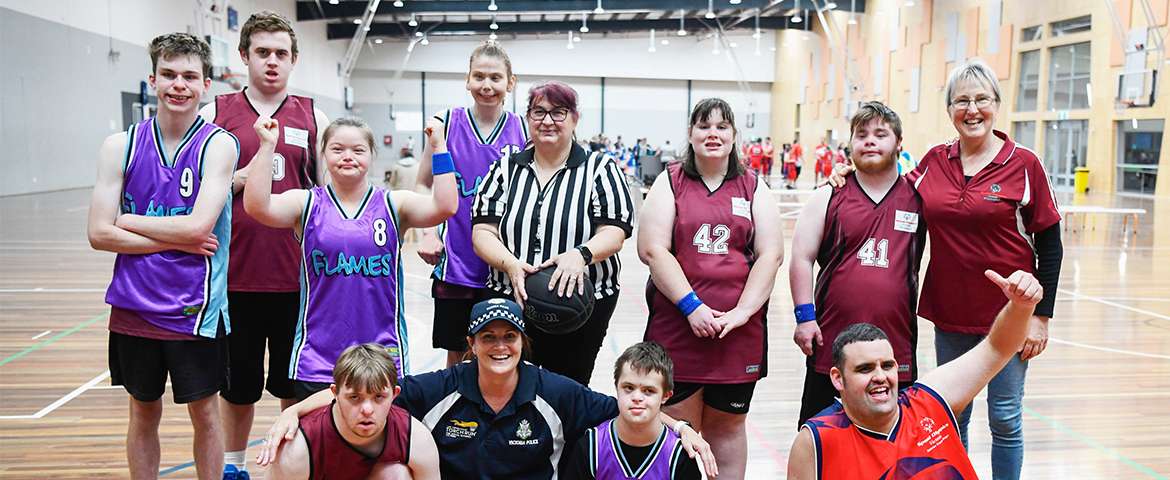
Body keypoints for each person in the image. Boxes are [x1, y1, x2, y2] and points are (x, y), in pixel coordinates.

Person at [829, 60, 1063, 480]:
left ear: (996, 104)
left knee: (1005, 417)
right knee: (953, 414)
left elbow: (1051, 242)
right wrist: (849, 171)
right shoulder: (935, 161)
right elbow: (894, 186)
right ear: (950, 108)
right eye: (962, 101)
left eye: (981, 100)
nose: (972, 110)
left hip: (1010, 316)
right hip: (951, 314)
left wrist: (1041, 318)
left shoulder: (1024, 164)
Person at [258, 299, 717, 479]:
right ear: (472, 345)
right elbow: (370, 389)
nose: (500, 345)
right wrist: (290, 413)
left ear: (522, 342)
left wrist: (684, 431)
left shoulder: (555, 393)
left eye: (509, 337)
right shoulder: (441, 388)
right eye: (488, 338)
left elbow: (630, 408)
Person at [87, 33, 237, 480]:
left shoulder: (219, 145)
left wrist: (129, 222)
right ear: (152, 79)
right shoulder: (120, 145)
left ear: (206, 84)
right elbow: (98, 233)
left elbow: (198, 227)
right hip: (134, 307)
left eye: (190, 76)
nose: (179, 85)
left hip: (196, 310)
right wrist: (176, 239)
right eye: (169, 75)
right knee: (142, 412)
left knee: (206, 415)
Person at [197, 11, 332, 478]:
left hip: (299, 279)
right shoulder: (215, 114)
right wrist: (236, 180)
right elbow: (195, 190)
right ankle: (235, 467)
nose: (271, 62)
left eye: (281, 54)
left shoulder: (315, 115)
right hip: (235, 276)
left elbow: (330, 196)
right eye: (262, 53)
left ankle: (291, 465)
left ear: (294, 60)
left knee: (293, 386)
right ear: (243, 57)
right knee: (238, 388)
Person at [243, 115, 457, 401]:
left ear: (371, 155)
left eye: (358, 150)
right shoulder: (307, 203)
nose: (347, 156)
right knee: (317, 442)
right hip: (318, 358)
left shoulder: (393, 204)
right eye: (337, 149)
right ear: (323, 154)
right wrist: (267, 146)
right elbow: (258, 206)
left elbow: (445, 205)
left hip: (382, 353)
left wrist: (439, 146)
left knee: (377, 442)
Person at [638, 97, 784, 479]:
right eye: (704, 126)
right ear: (690, 134)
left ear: (735, 135)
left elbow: (771, 255)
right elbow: (652, 249)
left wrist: (742, 313)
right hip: (678, 329)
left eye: (722, 126)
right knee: (675, 427)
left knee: (729, 429)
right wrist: (692, 306)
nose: (713, 134)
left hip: (738, 334)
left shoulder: (754, 186)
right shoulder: (670, 181)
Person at [787, 270, 1044, 480]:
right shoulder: (816, 440)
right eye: (865, 368)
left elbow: (997, 347)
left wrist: (1021, 306)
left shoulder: (930, 400)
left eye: (887, 365)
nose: (880, 376)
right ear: (837, 378)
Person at [471, 81, 636, 385]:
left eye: (559, 113)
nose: (547, 121)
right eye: (539, 112)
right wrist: (509, 263)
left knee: (568, 387)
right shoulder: (505, 169)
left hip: (582, 301)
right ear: (527, 118)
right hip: (511, 297)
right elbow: (482, 230)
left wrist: (581, 255)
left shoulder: (600, 169)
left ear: (575, 119)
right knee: (509, 386)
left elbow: (616, 230)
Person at [789, 102, 926, 428]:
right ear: (850, 143)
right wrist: (804, 318)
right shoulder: (829, 195)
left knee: (892, 441)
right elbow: (800, 258)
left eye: (881, 134)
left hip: (896, 345)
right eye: (861, 134)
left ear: (899, 143)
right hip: (831, 344)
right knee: (818, 435)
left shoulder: (920, 197)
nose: (870, 141)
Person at [414, 41, 528, 368]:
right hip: (455, 264)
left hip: (505, 267)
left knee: (504, 355)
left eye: (495, 77)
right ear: (467, 80)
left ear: (510, 82)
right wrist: (428, 233)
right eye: (479, 76)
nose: (487, 85)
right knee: (456, 354)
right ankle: (455, 417)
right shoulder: (446, 124)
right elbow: (424, 183)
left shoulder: (522, 131)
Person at [264, 344, 440, 480]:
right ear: (335, 394)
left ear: (394, 395)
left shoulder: (415, 438)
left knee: (396, 475)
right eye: (355, 397)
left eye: (378, 397)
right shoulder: (298, 448)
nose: (367, 410)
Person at [564, 342, 703, 480]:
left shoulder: (678, 454)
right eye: (629, 388)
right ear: (616, 388)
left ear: (665, 396)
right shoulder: (590, 447)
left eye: (649, 391)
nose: (637, 397)